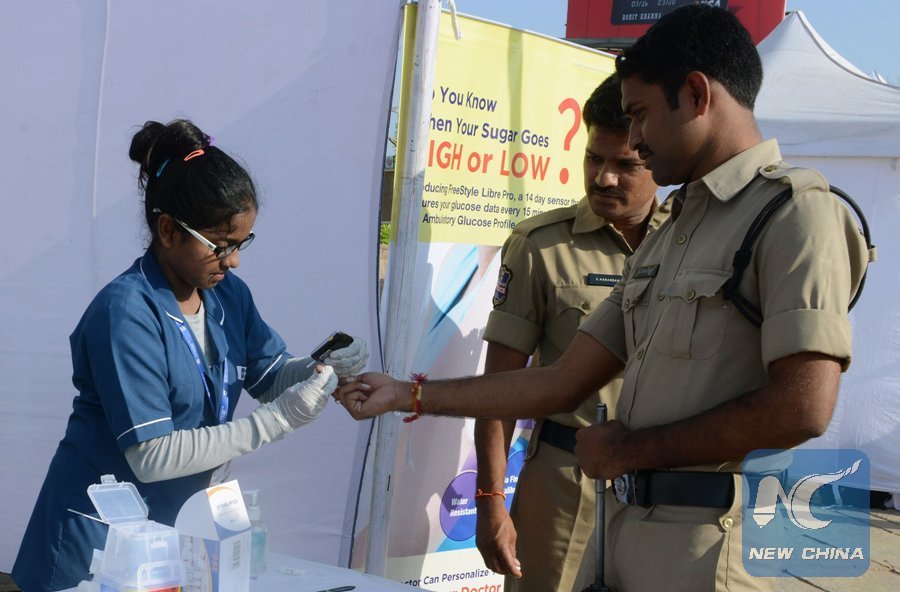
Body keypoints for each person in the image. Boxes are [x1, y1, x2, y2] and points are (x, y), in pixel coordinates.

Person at [337, 5, 870, 591]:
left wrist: (631, 451)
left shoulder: (795, 214)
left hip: (712, 549)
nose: (635, 137)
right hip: (622, 531)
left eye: (640, 115)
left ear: (696, 95)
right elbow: (561, 381)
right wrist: (410, 393)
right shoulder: (674, 231)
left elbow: (802, 408)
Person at [12, 119, 368, 592]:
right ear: (167, 230)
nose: (233, 260)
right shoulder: (127, 312)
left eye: (241, 244)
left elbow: (269, 375)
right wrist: (274, 422)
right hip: (101, 543)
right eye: (220, 246)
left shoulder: (227, 295)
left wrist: (319, 368)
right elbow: (152, 455)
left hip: (171, 531)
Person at [473, 74, 665, 592]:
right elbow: (497, 391)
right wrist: (491, 502)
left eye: (625, 165)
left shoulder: (689, 242)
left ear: (658, 159)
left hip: (666, 485)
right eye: (592, 159)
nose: (603, 178)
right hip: (566, 485)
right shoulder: (541, 245)